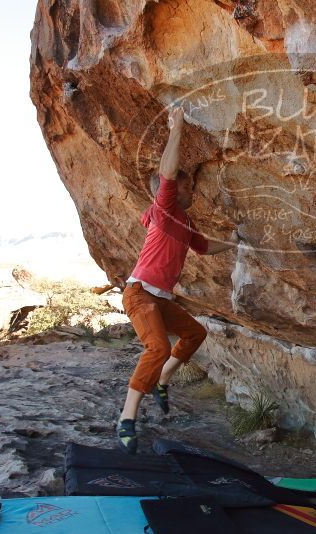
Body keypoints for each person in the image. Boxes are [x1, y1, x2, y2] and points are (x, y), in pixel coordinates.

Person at [118, 106, 238, 454]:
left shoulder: (186, 223)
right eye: (188, 186)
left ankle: (164, 379)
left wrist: (235, 242)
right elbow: (167, 174)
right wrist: (177, 127)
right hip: (139, 293)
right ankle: (127, 419)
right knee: (157, 347)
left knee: (195, 333)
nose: (192, 191)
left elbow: (204, 247)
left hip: (161, 300)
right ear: (173, 190)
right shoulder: (165, 208)